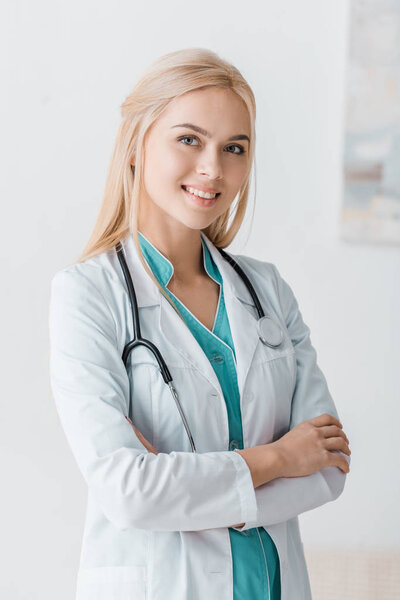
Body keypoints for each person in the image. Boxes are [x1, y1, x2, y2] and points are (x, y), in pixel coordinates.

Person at [48, 47, 351, 600]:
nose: (213, 168)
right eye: (189, 139)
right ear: (138, 143)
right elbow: (128, 492)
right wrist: (278, 459)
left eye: (234, 148)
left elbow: (328, 467)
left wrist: (183, 486)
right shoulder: (88, 295)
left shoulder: (267, 290)